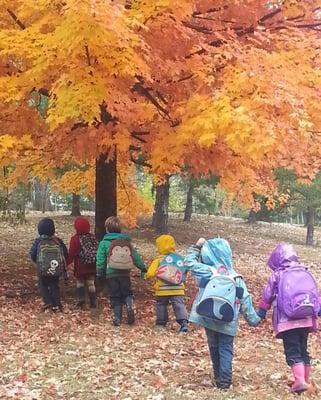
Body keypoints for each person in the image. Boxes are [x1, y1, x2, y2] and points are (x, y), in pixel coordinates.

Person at [184, 237, 261, 390]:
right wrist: (254, 319)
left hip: (207, 317)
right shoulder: (236, 277)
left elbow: (188, 263)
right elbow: (245, 299)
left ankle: (218, 375)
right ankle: (224, 382)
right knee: (225, 348)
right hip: (228, 321)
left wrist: (196, 247)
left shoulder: (207, 271)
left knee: (213, 346)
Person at [257, 243, 320, 394]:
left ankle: (299, 382)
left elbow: (268, 294)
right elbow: (314, 294)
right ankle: (304, 380)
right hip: (306, 318)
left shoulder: (278, 274)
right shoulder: (304, 271)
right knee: (303, 349)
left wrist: (261, 312)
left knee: (292, 350)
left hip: (288, 320)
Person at [96, 216, 146, 326]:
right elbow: (135, 256)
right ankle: (129, 303)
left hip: (111, 274)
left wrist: (100, 272)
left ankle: (117, 318)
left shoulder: (104, 243)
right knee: (126, 292)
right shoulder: (126, 242)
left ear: (107, 229)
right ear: (120, 229)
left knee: (115, 295)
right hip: (125, 273)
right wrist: (142, 267)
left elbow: (100, 259)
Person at [146, 234, 188, 333]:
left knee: (161, 304)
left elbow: (150, 273)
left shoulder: (159, 260)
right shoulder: (179, 259)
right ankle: (183, 323)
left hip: (162, 289)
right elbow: (184, 271)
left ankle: (161, 324)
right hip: (178, 289)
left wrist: (148, 276)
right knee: (179, 305)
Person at [30, 218, 68, 312]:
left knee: (42, 284)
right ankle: (57, 304)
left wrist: (38, 262)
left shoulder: (38, 241)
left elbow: (33, 254)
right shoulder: (57, 241)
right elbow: (65, 253)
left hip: (42, 269)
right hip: (55, 268)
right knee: (54, 285)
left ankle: (48, 302)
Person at [67, 217, 97, 309]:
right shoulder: (92, 237)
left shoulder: (75, 239)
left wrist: (66, 263)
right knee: (91, 283)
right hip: (92, 264)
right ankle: (93, 301)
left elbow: (71, 253)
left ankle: (81, 299)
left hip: (80, 265)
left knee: (80, 282)